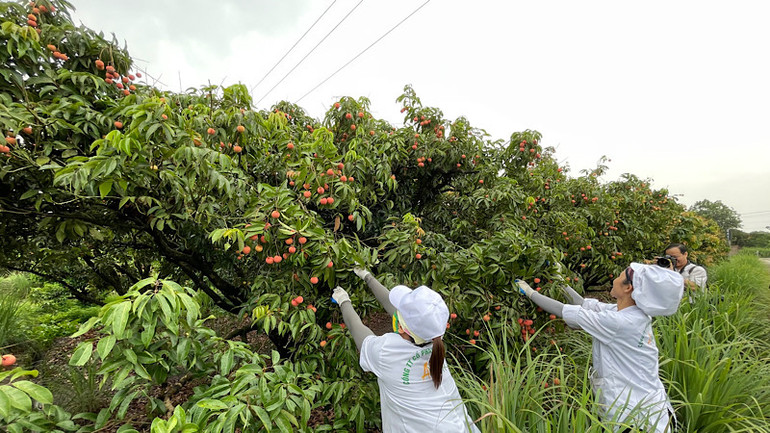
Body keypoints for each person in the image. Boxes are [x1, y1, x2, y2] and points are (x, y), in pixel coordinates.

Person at [515, 263, 684, 433]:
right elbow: (582, 304)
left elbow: (563, 310)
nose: (614, 279)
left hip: (634, 418)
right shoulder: (632, 313)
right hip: (651, 408)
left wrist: (531, 293)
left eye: (619, 275)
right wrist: (559, 281)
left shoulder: (619, 322)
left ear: (628, 288)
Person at [330, 268, 481, 433]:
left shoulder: (387, 352)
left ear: (401, 327)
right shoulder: (435, 341)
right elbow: (403, 313)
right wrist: (368, 277)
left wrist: (344, 300)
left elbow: (355, 327)